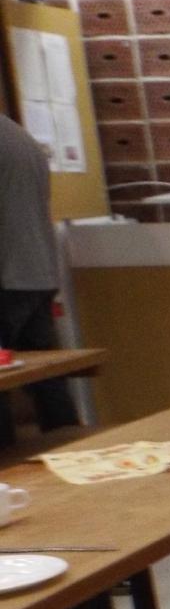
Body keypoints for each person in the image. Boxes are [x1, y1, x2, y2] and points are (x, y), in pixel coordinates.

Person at [0, 114, 80, 445]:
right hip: (36, 271)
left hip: (7, 276)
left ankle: (6, 461)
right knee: (46, 377)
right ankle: (72, 447)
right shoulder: (19, 135)